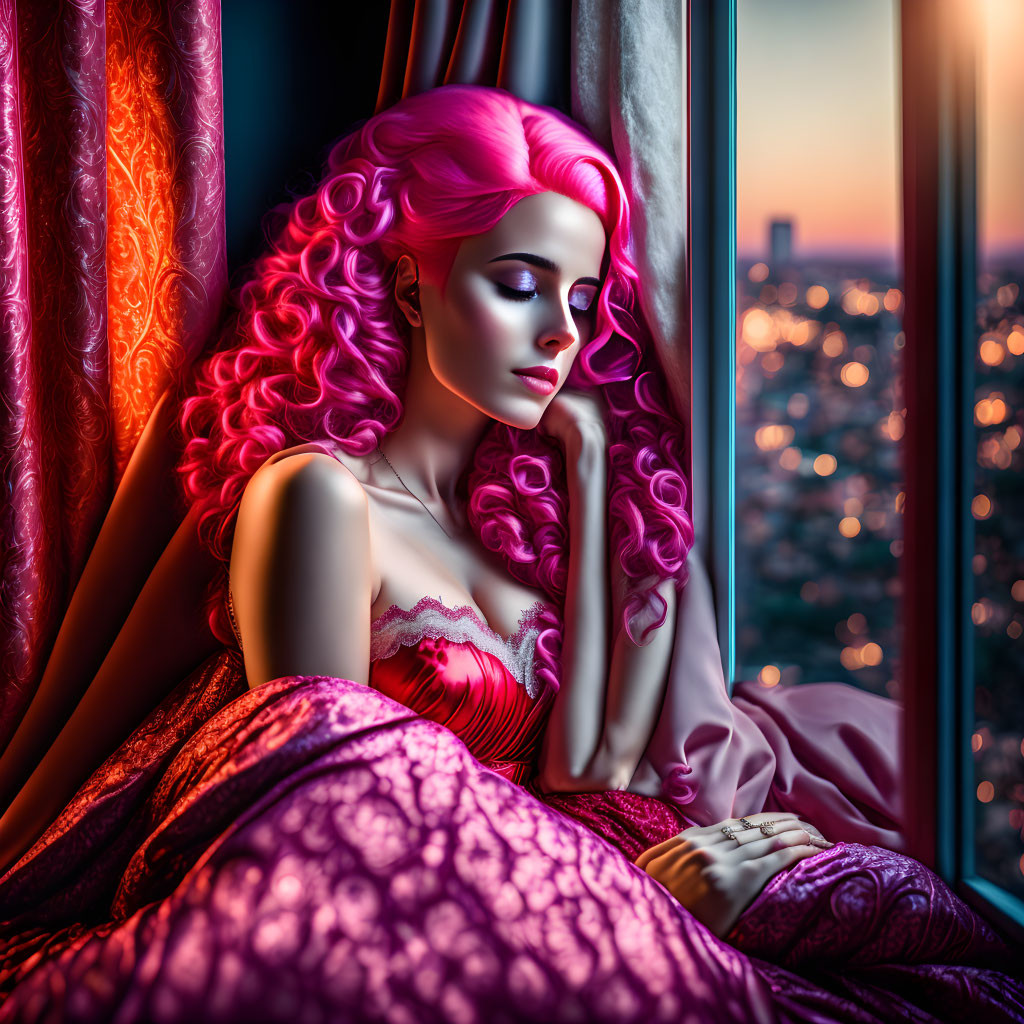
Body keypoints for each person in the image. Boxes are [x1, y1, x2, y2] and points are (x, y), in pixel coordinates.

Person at [0, 85, 1021, 1021]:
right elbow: (322, 811)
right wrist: (633, 901)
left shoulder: (506, 527)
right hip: (429, 904)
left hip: (580, 868)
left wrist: (586, 469)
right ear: (408, 287)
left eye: (581, 303)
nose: (560, 337)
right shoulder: (316, 496)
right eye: (521, 285)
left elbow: (586, 769)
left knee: (912, 934)